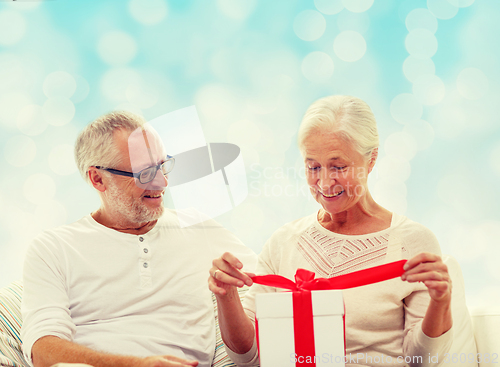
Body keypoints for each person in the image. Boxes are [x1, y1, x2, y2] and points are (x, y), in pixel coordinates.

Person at [209, 95, 453, 366]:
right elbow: (249, 358)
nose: (324, 182)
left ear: (371, 159)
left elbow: (422, 360)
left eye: (338, 166)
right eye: (313, 166)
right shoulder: (283, 242)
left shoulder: (413, 243)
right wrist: (226, 296)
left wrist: (440, 303)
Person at [21, 111, 256, 367]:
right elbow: (42, 351)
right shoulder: (53, 248)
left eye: (162, 165)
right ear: (97, 178)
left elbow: (276, 289)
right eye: (144, 173)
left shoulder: (198, 228)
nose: (162, 182)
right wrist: (136, 365)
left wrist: (228, 294)